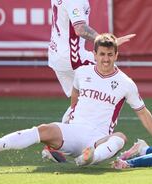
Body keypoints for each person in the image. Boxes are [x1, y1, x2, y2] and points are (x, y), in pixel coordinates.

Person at [0, 33, 152, 167]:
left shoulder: (126, 83)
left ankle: (89, 158)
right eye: (102, 54)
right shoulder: (82, 72)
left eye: (110, 54)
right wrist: (70, 114)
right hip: (73, 132)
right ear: (95, 54)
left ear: (117, 54)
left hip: (99, 139)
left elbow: (142, 111)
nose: (106, 59)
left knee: (121, 137)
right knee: (44, 129)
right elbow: (75, 94)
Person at [46, 0, 135, 161]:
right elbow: (80, 29)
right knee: (108, 65)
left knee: (80, 100)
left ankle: (57, 146)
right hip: (73, 57)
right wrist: (107, 41)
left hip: (56, 55)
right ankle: (94, 140)